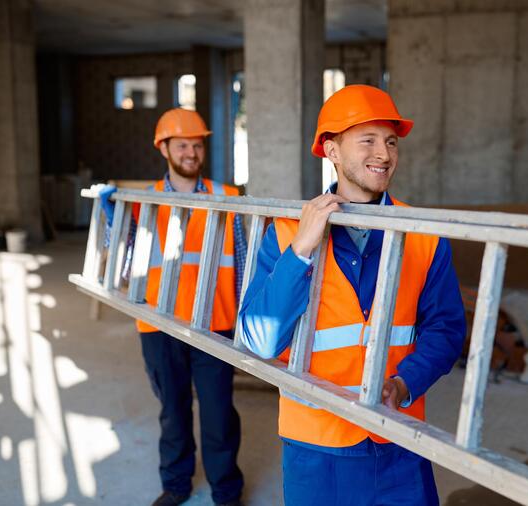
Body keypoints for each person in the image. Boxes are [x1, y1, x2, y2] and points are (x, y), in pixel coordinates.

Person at [238, 85, 466, 505]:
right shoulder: (287, 233)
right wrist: (301, 252)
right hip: (316, 444)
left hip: (399, 436)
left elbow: (446, 328)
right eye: (368, 140)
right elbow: (259, 341)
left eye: (391, 141)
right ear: (332, 150)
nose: (384, 153)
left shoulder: (422, 232)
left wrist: (404, 383)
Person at [102, 108, 245, 506]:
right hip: (159, 324)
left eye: (197, 145)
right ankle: (177, 484)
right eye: (182, 144)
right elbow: (126, 263)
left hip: (214, 325)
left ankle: (227, 491)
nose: (191, 152)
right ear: (164, 148)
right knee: (173, 411)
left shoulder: (227, 197)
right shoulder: (144, 201)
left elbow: (244, 261)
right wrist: (113, 220)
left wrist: (244, 322)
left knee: (218, 414)